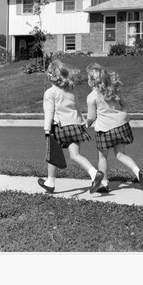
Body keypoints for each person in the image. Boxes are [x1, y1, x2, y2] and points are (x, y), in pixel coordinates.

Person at [38, 59, 104, 194]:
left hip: (60, 127)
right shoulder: (71, 90)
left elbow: (49, 112)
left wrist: (46, 129)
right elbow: (77, 107)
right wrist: (83, 121)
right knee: (75, 155)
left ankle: (50, 182)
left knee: (54, 154)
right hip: (75, 125)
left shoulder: (50, 93)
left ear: (51, 77)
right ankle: (94, 173)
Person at [85, 63, 143, 193]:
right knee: (120, 155)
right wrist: (122, 115)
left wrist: (87, 124)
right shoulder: (113, 90)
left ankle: (104, 184)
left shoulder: (92, 97)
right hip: (121, 126)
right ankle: (138, 172)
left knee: (102, 157)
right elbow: (124, 104)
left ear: (91, 81)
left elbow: (91, 117)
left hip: (104, 130)